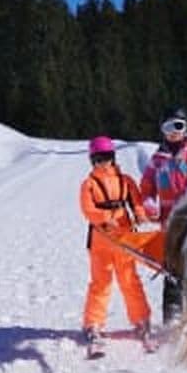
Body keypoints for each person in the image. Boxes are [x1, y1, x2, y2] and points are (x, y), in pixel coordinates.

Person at [139, 106, 187, 329]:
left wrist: (182, 214)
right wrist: (149, 202)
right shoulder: (157, 158)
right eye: (168, 127)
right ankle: (172, 318)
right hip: (167, 224)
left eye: (178, 126)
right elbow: (147, 184)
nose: (173, 132)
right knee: (171, 270)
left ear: (186, 128)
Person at [80, 135, 152, 349]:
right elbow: (87, 209)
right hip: (101, 240)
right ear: (92, 160)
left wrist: (139, 214)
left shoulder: (126, 181)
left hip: (124, 238)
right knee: (100, 283)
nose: (103, 162)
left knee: (130, 280)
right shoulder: (89, 184)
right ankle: (93, 323)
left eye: (107, 157)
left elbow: (136, 201)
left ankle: (141, 320)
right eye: (99, 158)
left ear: (113, 157)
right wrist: (104, 218)